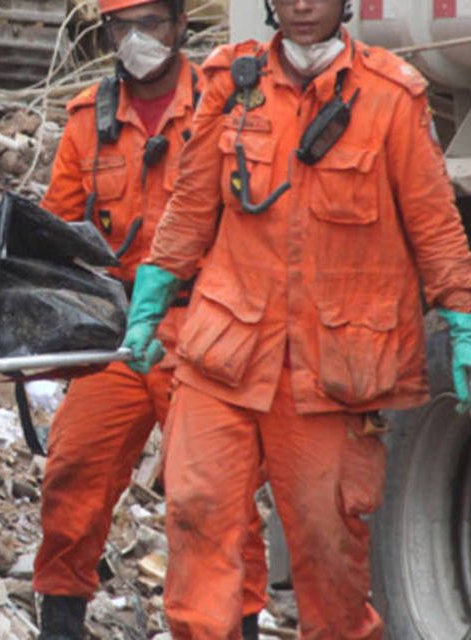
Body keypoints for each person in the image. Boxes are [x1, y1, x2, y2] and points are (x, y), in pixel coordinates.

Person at [123, 0, 471, 636]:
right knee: (197, 513)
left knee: (328, 559)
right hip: (224, 352)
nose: (303, 4)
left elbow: (437, 229)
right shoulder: (233, 83)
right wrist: (150, 299)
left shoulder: (392, 96)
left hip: (331, 373)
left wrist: (463, 320)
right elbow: (191, 205)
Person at [32, 1, 268, 638]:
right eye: (122, 27)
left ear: (181, 23)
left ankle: (237, 623)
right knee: (72, 477)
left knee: (214, 496)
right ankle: (59, 622)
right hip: (117, 328)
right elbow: (56, 233)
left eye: (152, 23)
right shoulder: (88, 118)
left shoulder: (226, 103)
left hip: (203, 324)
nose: (138, 40)